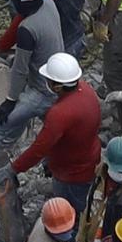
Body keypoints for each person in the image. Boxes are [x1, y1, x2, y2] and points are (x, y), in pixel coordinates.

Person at [10, 51, 100, 214]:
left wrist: (13, 169)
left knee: (69, 213)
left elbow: (39, 148)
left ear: (57, 86)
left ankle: (69, 237)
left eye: (49, 80)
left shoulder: (60, 114)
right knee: (80, 207)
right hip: (88, 160)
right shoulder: (86, 90)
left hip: (72, 175)